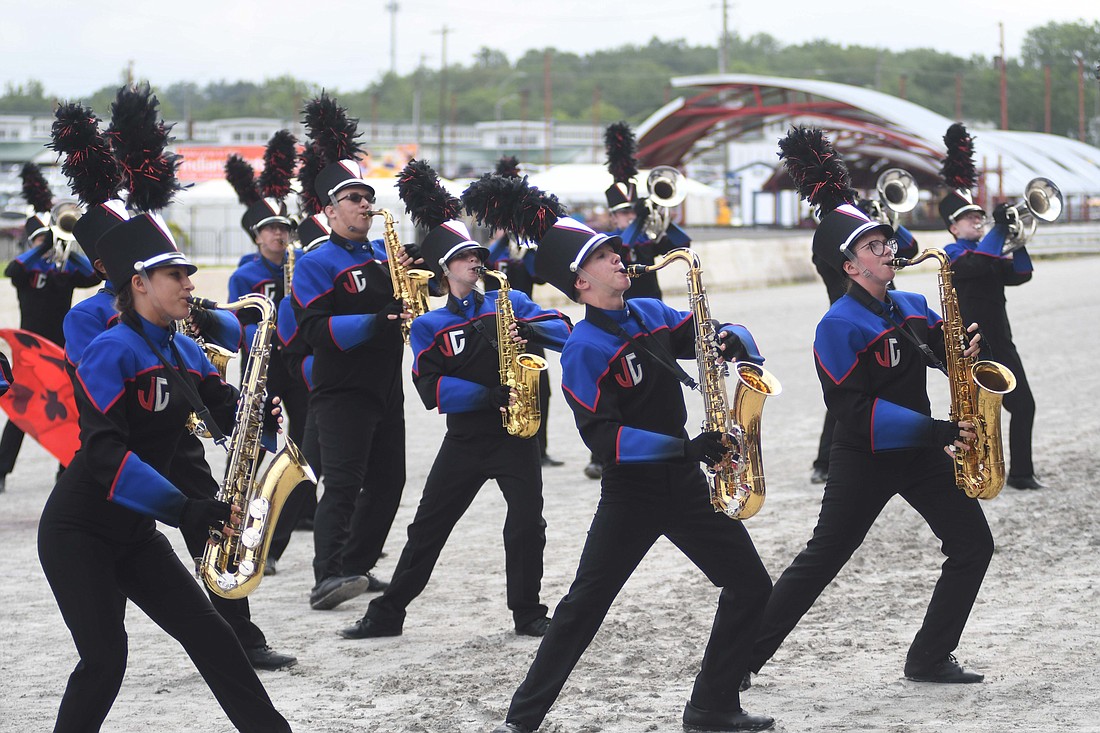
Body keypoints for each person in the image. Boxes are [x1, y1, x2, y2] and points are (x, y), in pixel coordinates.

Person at [491, 214, 774, 733]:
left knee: (751, 586)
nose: (618, 258)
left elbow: (707, 332)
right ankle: (521, 719)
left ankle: (712, 706)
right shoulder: (582, 348)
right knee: (584, 607)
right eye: (602, 256)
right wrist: (685, 448)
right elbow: (605, 440)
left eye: (614, 251)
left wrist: (730, 341)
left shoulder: (649, 312)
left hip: (684, 484)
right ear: (581, 282)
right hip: (633, 493)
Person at [37, 212, 292, 732]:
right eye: (175, 275)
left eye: (187, 274)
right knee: (106, 660)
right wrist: (186, 510)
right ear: (139, 283)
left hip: (134, 534)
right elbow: (105, 456)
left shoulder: (181, 348)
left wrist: (257, 413)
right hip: (79, 531)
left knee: (214, 637)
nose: (189, 284)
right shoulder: (110, 350)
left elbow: (225, 407)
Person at [744, 174, 994, 689]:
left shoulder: (911, 306)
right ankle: (740, 661)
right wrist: (936, 430)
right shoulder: (837, 325)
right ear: (851, 266)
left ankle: (929, 657)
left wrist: (965, 357)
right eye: (873, 246)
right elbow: (853, 409)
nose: (888, 250)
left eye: (887, 242)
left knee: (973, 545)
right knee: (822, 560)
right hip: (867, 455)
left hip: (922, 449)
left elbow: (945, 362)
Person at [340, 213, 571, 641]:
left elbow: (563, 328)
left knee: (527, 523)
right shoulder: (430, 324)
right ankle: (388, 613)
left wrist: (527, 327)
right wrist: (484, 396)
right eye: (463, 257)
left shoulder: (511, 302)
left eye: (477, 255)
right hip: (465, 439)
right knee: (428, 528)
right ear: (445, 270)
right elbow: (428, 386)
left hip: (516, 436)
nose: (474, 263)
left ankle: (528, 612)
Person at [291, 159, 410, 610]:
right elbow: (315, 330)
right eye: (354, 199)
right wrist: (374, 322)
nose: (365, 205)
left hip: (385, 385)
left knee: (389, 482)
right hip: (342, 388)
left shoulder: (384, 255)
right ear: (330, 211)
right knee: (342, 483)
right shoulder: (316, 262)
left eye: (368, 198)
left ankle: (356, 566)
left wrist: (416, 276)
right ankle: (327, 575)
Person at [938, 123, 1041, 490]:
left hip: (1002, 342)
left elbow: (1022, 274)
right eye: (970, 218)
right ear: (953, 227)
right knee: (976, 417)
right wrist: (998, 232)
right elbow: (979, 263)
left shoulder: (989, 248)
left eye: (980, 217)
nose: (978, 220)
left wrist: (1017, 235)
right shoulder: (951, 255)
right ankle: (973, 473)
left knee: (1023, 406)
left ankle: (1022, 474)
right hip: (972, 347)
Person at [0, 165, 99, 491]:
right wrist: (43, 246)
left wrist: (67, 248)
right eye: (43, 239)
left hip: (62, 349)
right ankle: (1, 470)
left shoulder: (67, 269)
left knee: (70, 409)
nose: (50, 242)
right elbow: (12, 269)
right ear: (34, 241)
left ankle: (65, 471)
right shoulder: (26, 271)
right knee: (21, 410)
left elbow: (92, 276)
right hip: (30, 350)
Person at [809, 199, 918, 485]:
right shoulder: (829, 249)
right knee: (847, 403)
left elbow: (911, 247)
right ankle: (823, 461)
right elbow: (828, 257)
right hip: (852, 321)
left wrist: (882, 221)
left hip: (886, 315)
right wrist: (851, 223)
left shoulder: (880, 249)